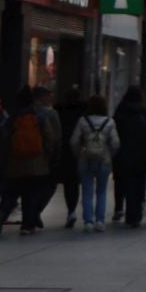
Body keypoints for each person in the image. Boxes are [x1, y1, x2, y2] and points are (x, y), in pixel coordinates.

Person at [0, 87, 63, 235]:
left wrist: (5, 158)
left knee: (12, 193)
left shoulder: (12, 118)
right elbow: (50, 138)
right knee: (31, 194)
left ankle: (1, 216)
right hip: (36, 163)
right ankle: (27, 226)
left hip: (15, 162)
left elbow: (4, 139)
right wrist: (48, 155)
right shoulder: (40, 116)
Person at [70, 95, 119, 232]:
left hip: (85, 159)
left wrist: (79, 154)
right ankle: (100, 221)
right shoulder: (110, 122)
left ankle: (88, 221)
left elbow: (73, 141)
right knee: (102, 191)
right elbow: (115, 143)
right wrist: (110, 154)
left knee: (87, 190)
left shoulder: (82, 121)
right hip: (104, 160)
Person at [112, 89, 146, 228]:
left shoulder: (120, 112)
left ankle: (131, 214)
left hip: (124, 155)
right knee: (140, 184)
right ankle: (137, 213)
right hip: (143, 155)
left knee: (128, 184)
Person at [54, 86, 85, 229]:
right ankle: (72, 211)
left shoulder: (58, 111)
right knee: (73, 184)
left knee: (55, 183)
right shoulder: (84, 112)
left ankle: (35, 213)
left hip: (60, 151)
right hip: (79, 151)